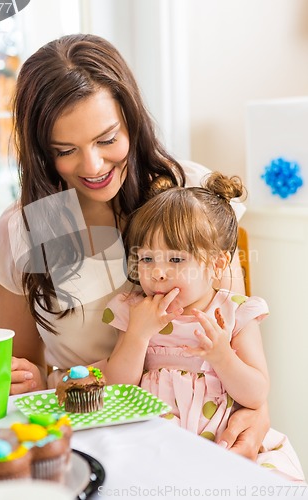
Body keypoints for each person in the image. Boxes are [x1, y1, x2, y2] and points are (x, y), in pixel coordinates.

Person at [0, 33, 268, 460]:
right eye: (66, 150)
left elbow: (239, 337)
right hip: (93, 436)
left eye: (106, 139)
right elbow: (28, 373)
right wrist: (30, 382)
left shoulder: (190, 195)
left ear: (130, 118)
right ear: (43, 152)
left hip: (207, 428)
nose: (93, 166)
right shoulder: (26, 227)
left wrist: (260, 412)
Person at [102, 172, 305, 482]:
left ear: (217, 265)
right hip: (157, 445)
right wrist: (138, 335)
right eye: (146, 258)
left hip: (222, 441)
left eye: (175, 259)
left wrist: (223, 355)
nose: (157, 272)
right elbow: (117, 388)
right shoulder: (134, 310)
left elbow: (256, 392)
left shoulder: (234, 313)